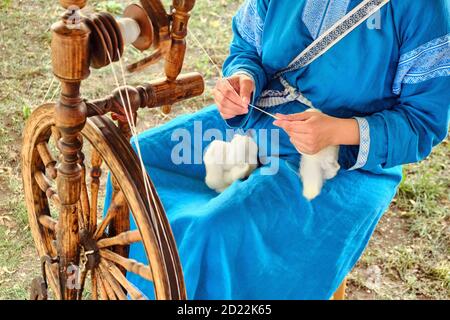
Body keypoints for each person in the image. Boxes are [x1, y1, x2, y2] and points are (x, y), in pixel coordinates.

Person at [107, 0, 450, 299]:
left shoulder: (421, 7)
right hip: (259, 119)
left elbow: (423, 124)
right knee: (133, 163)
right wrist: (244, 79)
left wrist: (338, 130)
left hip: (345, 160)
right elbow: (247, 48)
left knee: (216, 230)